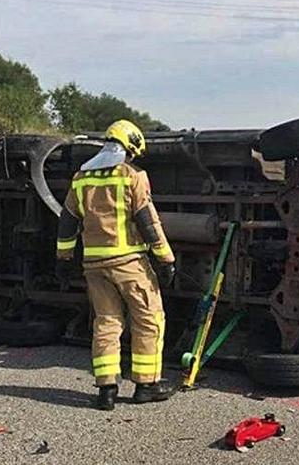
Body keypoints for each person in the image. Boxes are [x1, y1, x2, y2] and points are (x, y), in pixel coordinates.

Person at [56, 120, 177, 410]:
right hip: (129, 263)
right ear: (131, 148)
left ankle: (106, 390)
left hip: (94, 265)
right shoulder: (130, 176)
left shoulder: (81, 177)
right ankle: (146, 385)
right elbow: (148, 223)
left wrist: (64, 258)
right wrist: (165, 259)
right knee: (149, 319)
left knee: (107, 323)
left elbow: (67, 221)